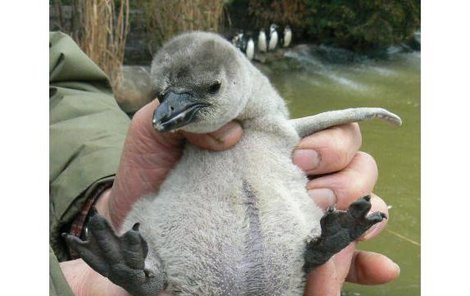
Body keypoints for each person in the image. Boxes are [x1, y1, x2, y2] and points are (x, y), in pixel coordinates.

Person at [50, 32, 399, 296]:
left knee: (310, 220)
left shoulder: (264, 120)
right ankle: (145, 276)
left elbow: (56, 81)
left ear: (234, 81)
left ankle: (315, 246)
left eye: (212, 88)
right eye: (164, 97)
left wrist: (99, 202)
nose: (169, 111)